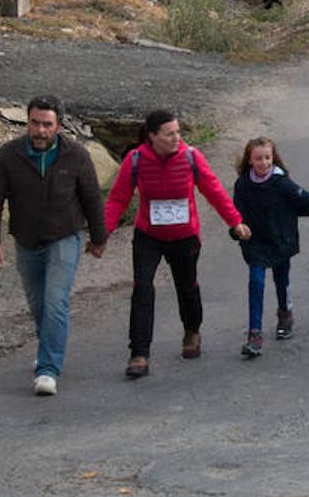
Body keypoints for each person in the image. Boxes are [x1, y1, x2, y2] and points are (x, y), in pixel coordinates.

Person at [104, 110, 250, 378]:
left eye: (178, 133)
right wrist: (103, 233)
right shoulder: (136, 160)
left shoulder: (191, 157)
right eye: (169, 134)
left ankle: (192, 330)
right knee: (142, 288)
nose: (176, 138)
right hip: (149, 235)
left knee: (187, 287)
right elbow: (117, 199)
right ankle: (139, 353)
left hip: (184, 236)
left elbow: (214, 190)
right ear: (152, 136)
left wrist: (235, 221)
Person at [0, 95, 107, 397]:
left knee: (55, 301)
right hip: (26, 240)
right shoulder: (10, 155)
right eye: (35, 123)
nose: (40, 131)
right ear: (28, 122)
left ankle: (48, 369)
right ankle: (48, 345)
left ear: (58, 126)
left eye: (47, 125)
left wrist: (99, 236)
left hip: (65, 236)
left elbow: (92, 197)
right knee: (38, 305)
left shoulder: (76, 155)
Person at [231, 136, 309, 358]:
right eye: (258, 158)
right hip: (256, 242)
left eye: (268, 158)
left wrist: (308, 200)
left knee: (282, 281)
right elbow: (235, 214)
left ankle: (285, 314)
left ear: (274, 158)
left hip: (281, 240)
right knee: (256, 282)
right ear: (250, 161)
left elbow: (307, 204)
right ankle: (255, 335)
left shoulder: (282, 182)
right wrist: (237, 229)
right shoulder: (243, 184)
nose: (264, 163)